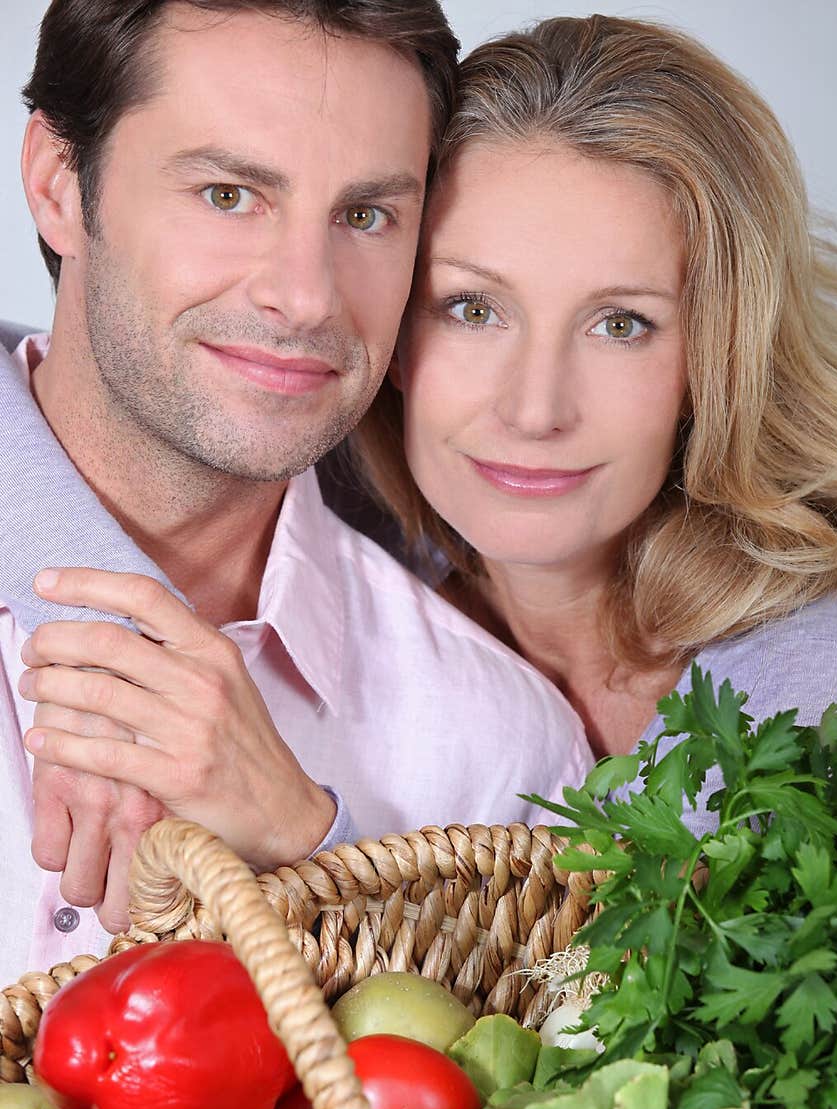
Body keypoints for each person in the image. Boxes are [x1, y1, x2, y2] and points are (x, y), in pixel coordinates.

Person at [4, 11, 837, 1109]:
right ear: (57, 183)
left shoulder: (619, 726)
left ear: (719, 352)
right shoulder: (340, 497)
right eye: (470, 306)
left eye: (625, 324)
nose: (534, 406)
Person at [0, 0, 592, 980]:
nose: (307, 295)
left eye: (366, 216)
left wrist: (318, 850)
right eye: (230, 194)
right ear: (59, 183)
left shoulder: (499, 749)